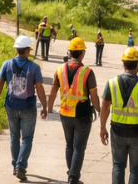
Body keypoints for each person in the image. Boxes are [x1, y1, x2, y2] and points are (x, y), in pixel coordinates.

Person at [0, 35, 47, 183]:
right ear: (27, 50)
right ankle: (21, 166)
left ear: (16, 49)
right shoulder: (34, 67)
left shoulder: (6, 64)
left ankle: (15, 166)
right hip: (28, 107)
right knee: (27, 138)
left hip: (11, 105)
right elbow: (39, 88)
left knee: (14, 137)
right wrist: (45, 106)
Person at [100, 47, 138, 184]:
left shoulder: (111, 83)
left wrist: (102, 128)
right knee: (136, 171)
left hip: (117, 132)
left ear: (123, 63)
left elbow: (104, 107)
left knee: (118, 166)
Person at [44, 37, 99, 184]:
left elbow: (53, 89)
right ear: (82, 53)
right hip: (81, 114)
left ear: (70, 52)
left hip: (65, 113)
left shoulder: (59, 69)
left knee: (69, 144)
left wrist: (49, 108)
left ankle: (71, 172)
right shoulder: (88, 72)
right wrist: (100, 110)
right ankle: (73, 178)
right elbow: (93, 95)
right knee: (79, 147)